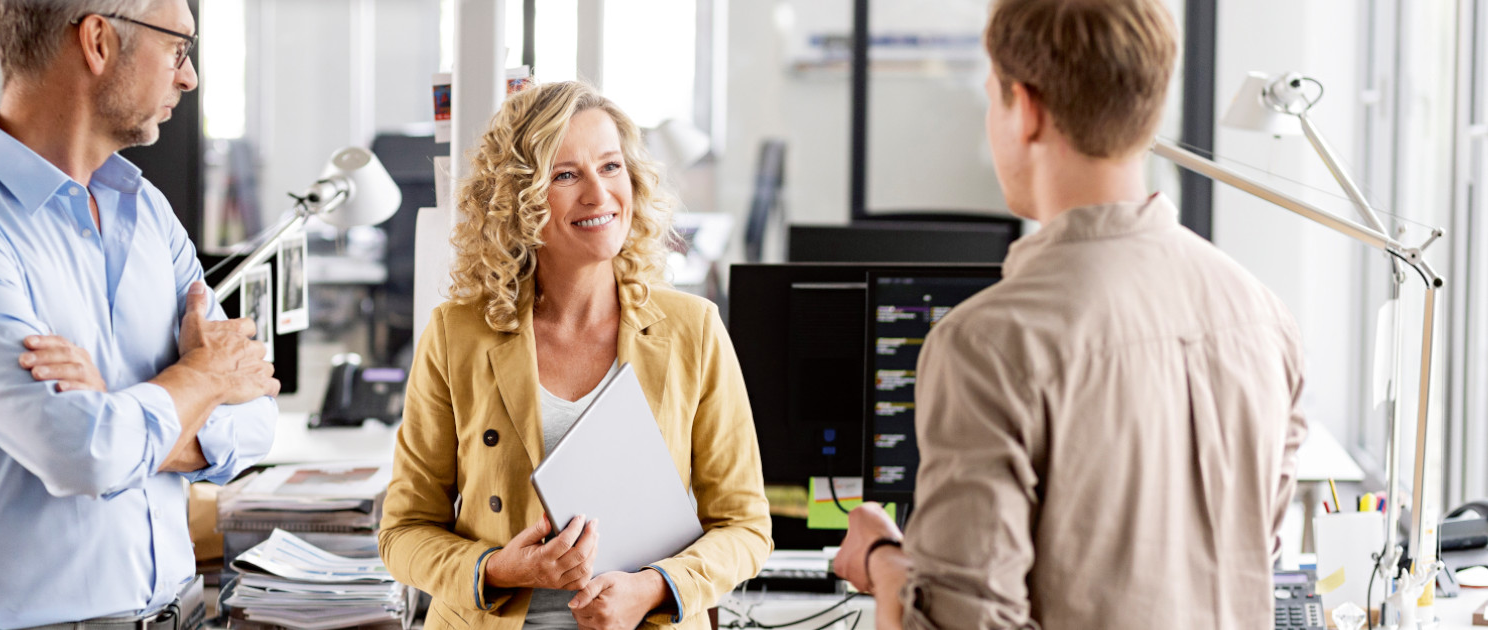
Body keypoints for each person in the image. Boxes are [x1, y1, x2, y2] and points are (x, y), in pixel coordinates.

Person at [832, 1, 1308, 629]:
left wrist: (882, 556)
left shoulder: (987, 344)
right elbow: (1249, 556)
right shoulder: (1264, 317)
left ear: (1024, 109)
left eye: (992, 99)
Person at [0, 1, 279, 627]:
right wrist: (203, 378)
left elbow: (258, 422)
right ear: (97, 42)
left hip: (181, 614)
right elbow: (83, 454)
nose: (188, 77)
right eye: (177, 48)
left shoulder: (148, 214)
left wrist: (115, 406)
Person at [378, 81, 771, 630]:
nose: (598, 194)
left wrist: (653, 588)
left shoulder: (693, 330)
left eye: (610, 167)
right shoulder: (456, 335)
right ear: (519, 198)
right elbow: (403, 532)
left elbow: (746, 527)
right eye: (565, 175)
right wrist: (497, 569)